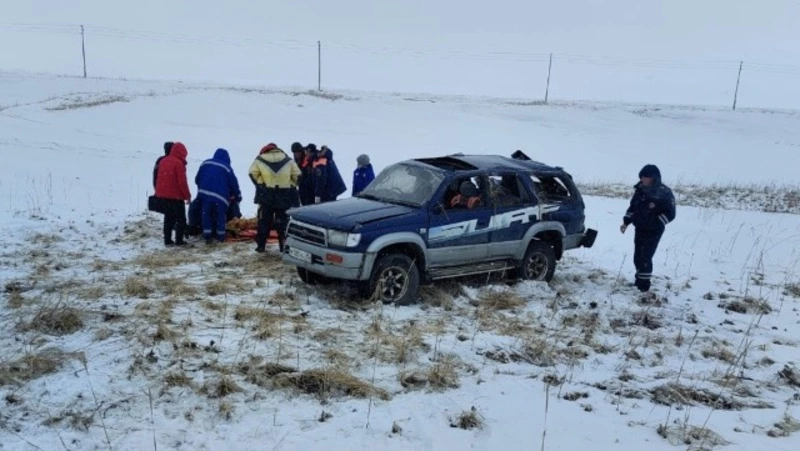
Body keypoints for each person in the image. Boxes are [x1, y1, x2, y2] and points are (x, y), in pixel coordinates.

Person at [620, 164, 676, 292]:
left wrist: (655, 222)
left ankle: (644, 286)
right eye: (641, 177)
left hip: (654, 231)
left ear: (653, 177)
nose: (642, 179)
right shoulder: (639, 190)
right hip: (640, 228)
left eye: (645, 177)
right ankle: (638, 281)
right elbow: (633, 207)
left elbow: (671, 213)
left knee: (646, 257)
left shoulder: (664, 192)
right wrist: (626, 222)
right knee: (637, 257)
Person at [249, 143, 300, 253]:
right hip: (284, 195)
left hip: (266, 195)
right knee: (283, 221)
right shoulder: (288, 160)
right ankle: (283, 245)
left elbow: (252, 173)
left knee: (264, 220)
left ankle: (261, 245)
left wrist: (261, 184)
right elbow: (297, 176)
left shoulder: (259, 159)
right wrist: (289, 184)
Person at [195, 148, 242, 244]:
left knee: (206, 215)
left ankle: (207, 236)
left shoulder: (205, 163)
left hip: (204, 194)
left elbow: (197, 179)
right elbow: (234, 184)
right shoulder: (227, 168)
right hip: (220, 197)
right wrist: (237, 196)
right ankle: (220, 237)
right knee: (220, 216)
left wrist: (202, 188)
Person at [154, 142, 191, 246]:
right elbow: (182, 182)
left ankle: (167, 240)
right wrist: (187, 196)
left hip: (163, 195)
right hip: (176, 196)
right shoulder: (178, 163)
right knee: (180, 219)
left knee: (168, 218)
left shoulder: (163, 161)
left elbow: (158, 178)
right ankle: (179, 240)